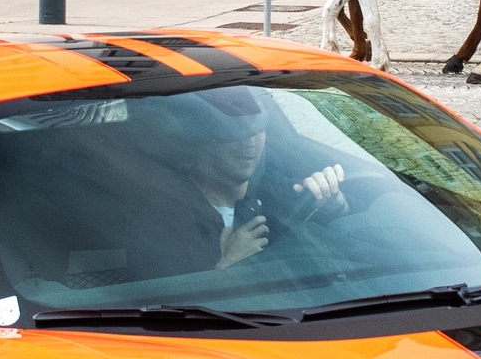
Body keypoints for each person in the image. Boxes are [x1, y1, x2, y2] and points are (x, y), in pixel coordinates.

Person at [118, 87, 350, 277]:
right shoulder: (163, 220)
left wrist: (335, 205)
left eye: (256, 128)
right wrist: (226, 265)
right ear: (202, 142)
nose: (248, 142)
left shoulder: (281, 190)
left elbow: (346, 240)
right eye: (233, 132)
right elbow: (164, 307)